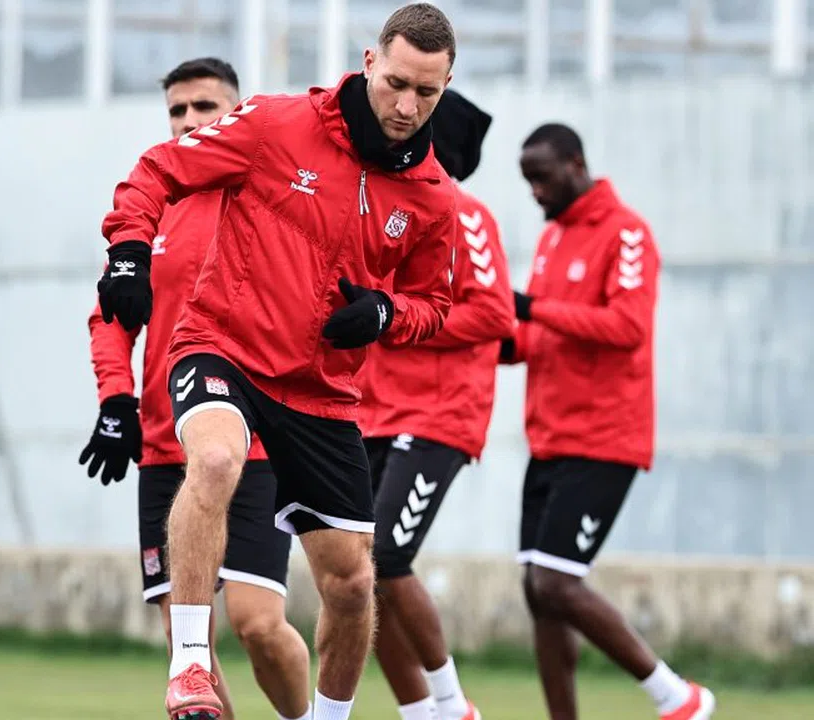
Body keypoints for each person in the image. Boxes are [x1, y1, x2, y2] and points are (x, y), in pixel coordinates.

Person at [97, 4, 460, 719]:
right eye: (396, 83)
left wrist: (386, 314)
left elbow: (434, 304)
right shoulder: (277, 123)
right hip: (221, 347)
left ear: (444, 87)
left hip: (320, 392)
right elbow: (157, 170)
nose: (406, 105)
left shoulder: (433, 198)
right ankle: (191, 666)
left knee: (353, 584)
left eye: (426, 92)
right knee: (215, 460)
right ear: (369, 62)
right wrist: (129, 250)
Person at [81, 57, 312, 720]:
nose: (188, 121)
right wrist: (116, 399)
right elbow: (111, 317)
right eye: (177, 111)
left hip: (255, 444)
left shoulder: (269, 200)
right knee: (189, 651)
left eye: (204, 107)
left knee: (258, 623)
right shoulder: (152, 208)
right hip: (164, 447)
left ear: (236, 114)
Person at [503, 122, 715, 720]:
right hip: (549, 439)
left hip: (604, 439)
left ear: (575, 165)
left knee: (555, 583)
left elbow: (627, 327)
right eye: (527, 181)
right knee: (539, 594)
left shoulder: (628, 233)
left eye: (542, 177)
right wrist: (481, 336)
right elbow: (533, 335)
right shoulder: (551, 240)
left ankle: (678, 697)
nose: (535, 192)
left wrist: (533, 309)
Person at [358, 88, 511, 720]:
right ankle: (421, 712)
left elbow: (495, 313)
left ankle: (451, 704)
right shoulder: (383, 206)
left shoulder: (466, 214)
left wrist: (398, 320)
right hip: (372, 411)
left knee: (387, 557)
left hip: (437, 416)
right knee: (354, 576)